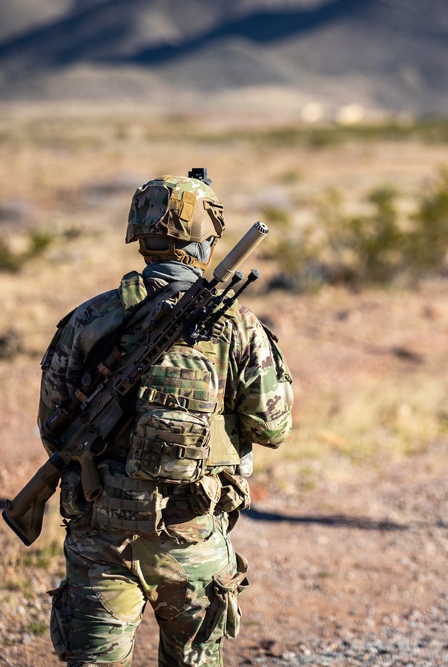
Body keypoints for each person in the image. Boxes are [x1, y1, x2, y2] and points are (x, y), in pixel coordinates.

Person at [37, 171, 293, 667]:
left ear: (140, 233)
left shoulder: (89, 319)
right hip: (191, 534)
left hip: (100, 537)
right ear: (209, 236)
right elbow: (273, 427)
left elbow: (53, 427)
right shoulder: (239, 327)